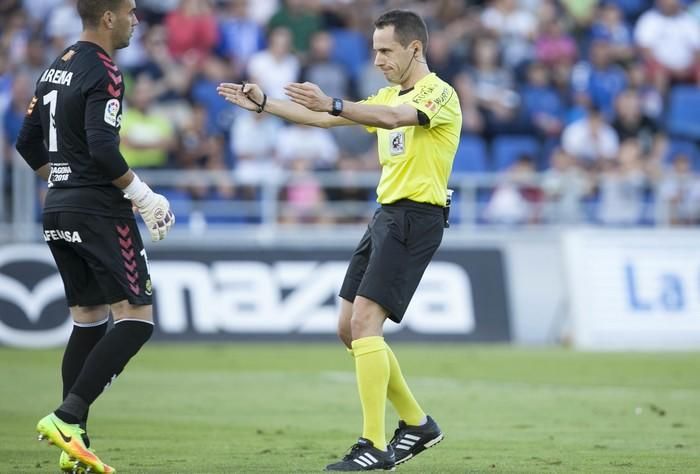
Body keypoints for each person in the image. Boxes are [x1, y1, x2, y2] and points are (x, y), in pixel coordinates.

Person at [219, 9, 461, 472]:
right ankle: (417, 423)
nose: (377, 59)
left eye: (386, 50)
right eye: (374, 50)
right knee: (349, 329)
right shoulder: (388, 93)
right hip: (387, 216)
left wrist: (333, 102)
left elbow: (391, 119)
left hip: (417, 217)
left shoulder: (440, 94)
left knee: (367, 323)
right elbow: (326, 121)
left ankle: (373, 444)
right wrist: (265, 103)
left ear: (415, 48)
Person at [14, 1, 174, 473]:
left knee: (88, 319)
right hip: (98, 210)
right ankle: (68, 417)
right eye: (130, 11)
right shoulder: (105, 70)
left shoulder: (55, 66)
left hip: (58, 207)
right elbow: (104, 148)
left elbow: (27, 142)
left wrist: (63, 180)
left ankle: (74, 437)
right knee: (137, 317)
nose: (135, 19)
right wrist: (143, 196)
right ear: (108, 17)